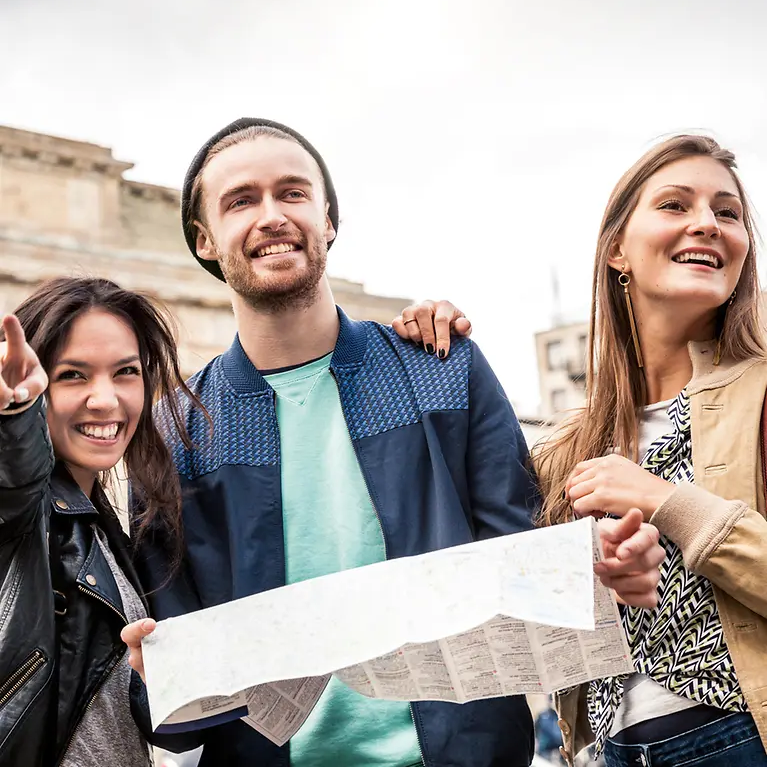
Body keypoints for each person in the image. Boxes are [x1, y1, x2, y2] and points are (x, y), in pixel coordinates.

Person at [122, 117, 664, 767]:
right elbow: (177, 718)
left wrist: (603, 568)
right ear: (205, 240)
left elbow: (532, 573)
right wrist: (152, 679)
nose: (271, 215)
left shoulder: (443, 367)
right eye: (242, 200)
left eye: (292, 193)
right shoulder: (171, 433)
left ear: (328, 219)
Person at [524, 135, 767, 766]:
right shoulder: (567, 449)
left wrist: (667, 503)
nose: (707, 224)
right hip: (608, 751)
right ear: (616, 250)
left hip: (741, 738)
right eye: (675, 204)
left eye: (728, 212)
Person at [0, 277, 203, 767]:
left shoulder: (101, 526)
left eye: (125, 372)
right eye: (73, 375)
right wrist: (16, 413)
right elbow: (14, 476)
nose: (106, 399)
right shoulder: (26, 509)